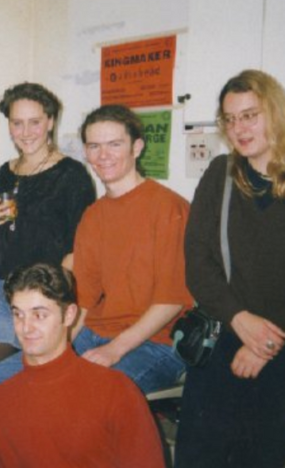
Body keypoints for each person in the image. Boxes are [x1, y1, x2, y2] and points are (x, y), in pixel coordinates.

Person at [175, 70, 285, 468]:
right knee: (199, 456)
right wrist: (238, 319)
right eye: (230, 119)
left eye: (249, 115)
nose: (238, 128)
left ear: (276, 114)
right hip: (223, 338)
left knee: (261, 455)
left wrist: (265, 343)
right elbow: (198, 261)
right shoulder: (220, 175)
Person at [0, 82, 96, 383]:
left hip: (41, 298)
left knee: (31, 381)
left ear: (50, 121)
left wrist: (49, 298)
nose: (26, 131)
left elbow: (79, 249)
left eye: (35, 122)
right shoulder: (6, 171)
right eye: (17, 123)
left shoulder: (71, 175)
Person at [0, 263, 165, 467]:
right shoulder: (2, 398)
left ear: (69, 315)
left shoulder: (115, 391)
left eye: (39, 315)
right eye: (18, 314)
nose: (26, 327)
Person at [71, 104, 191, 394]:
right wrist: (57, 350)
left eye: (114, 144)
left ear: (137, 147)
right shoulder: (93, 215)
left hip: (156, 344)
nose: (103, 155)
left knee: (94, 395)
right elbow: (83, 300)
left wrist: (114, 351)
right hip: (94, 334)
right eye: (94, 146)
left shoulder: (169, 208)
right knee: (14, 378)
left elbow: (171, 300)